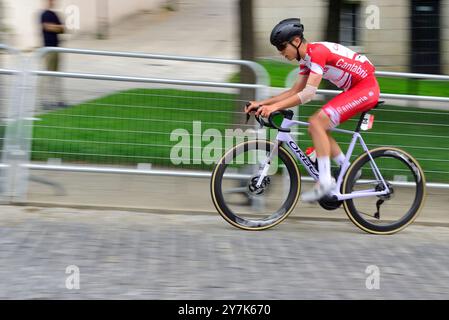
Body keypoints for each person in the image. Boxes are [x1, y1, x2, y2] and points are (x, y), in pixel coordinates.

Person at [245, 18, 380, 202]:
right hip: (356, 89)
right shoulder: (306, 60)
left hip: (366, 88)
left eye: (282, 47)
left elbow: (309, 93)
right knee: (318, 127)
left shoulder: (317, 53)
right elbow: (294, 91)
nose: (281, 53)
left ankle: (325, 182)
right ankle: (348, 169)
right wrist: (263, 104)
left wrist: (274, 107)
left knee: (316, 122)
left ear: (296, 41)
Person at [40, 0, 66, 109]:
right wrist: (57, 27)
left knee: (57, 75)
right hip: (48, 49)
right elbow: (47, 27)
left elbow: (63, 29)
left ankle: (58, 100)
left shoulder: (55, 14)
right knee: (48, 75)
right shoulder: (44, 14)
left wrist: (55, 27)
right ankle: (45, 101)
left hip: (56, 48)